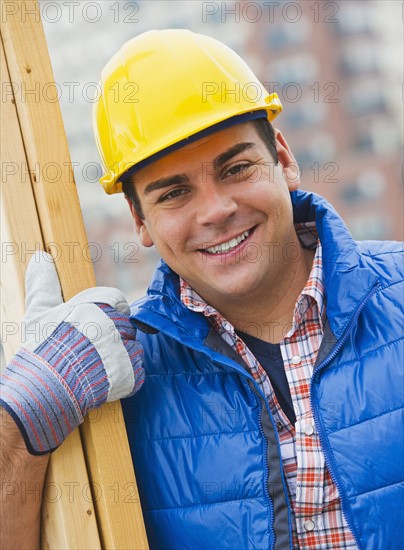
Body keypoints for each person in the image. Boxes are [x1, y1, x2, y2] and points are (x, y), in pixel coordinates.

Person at [1, 29, 403, 550]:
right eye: (174, 193)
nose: (215, 210)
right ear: (139, 219)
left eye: (236, 168)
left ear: (282, 158)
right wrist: (21, 419)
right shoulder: (114, 385)